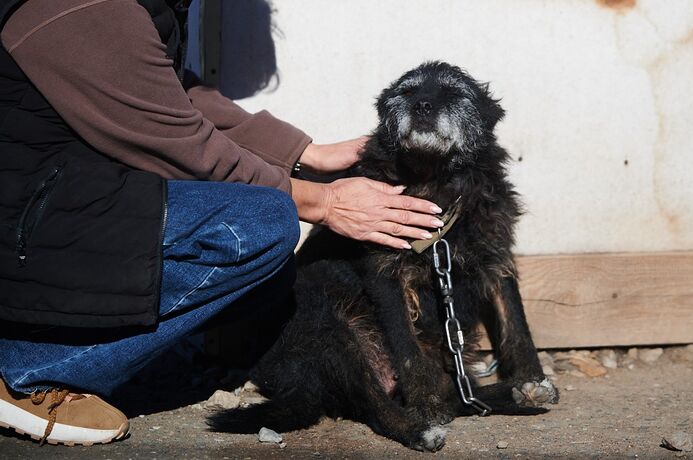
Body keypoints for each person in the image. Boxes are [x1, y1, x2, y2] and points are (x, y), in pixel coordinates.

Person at [0, 0, 445, 446]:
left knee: (271, 278)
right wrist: (323, 201)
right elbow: (174, 140)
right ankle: (26, 373)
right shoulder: (87, 5)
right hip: (27, 217)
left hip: (56, 200)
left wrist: (306, 154)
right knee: (256, 226)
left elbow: (167, 91)